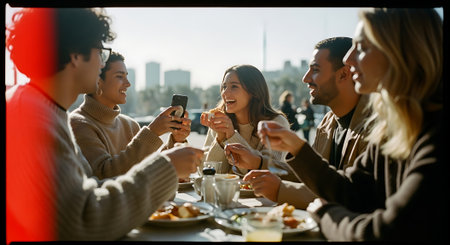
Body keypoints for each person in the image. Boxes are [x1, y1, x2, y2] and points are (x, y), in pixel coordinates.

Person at [6, 8, 203, 242]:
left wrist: (168, 163)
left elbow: (90, 191)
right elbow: (82, 221)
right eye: (101, 52)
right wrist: (167, 166)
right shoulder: (30, 117)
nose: (102, 63)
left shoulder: (44, 109)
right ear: (75, 54)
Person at [257, 8, 445, 241]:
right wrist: (297, 148)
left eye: (363, 47)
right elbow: (353, 190)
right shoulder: (395, 126)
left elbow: (387, 232)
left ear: (400, 53)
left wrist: (326, 215)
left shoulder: (434, 132)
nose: (348, 59)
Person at [243, 37, 372, 209]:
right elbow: (313, 175)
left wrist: (280, 190)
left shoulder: (375, 126)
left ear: (344, 74)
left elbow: (352, 196)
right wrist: (259, 163)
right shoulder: (327, 122)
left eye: (315, 70)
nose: (305, 78)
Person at [70, 51, 191, 180]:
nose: (128, 83)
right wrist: (152, 133)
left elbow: (149, 170)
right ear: (98, 80)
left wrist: (176, 141)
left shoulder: (130, 125)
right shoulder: (78, 124)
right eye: (119, 76)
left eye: (126, 76)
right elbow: (103, 175)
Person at [200, 64, 294, 179]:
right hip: (226, 194)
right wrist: (220, 139)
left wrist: (231, 135)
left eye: (234, 86)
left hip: (261, 196)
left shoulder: (276, 123)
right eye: (224, 87)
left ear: (253, 91)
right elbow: (207, 173)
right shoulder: (220, 121)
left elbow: (268, 173)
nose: (225, 93)